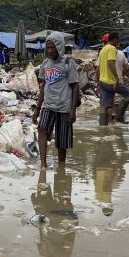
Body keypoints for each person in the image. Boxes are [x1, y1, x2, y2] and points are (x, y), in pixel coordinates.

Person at [32, 32, 79, 168]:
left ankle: (61, 168)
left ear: (59, 46)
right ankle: (43, 164)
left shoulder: (68, 62)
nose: (50, 50)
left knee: (61, 141)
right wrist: (37, 109)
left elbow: (75, 87)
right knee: (42, 128)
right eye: (48, 48)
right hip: (48, 104)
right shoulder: (46, 64)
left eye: (53, 47)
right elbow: (43, 87)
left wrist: (73, 111)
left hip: (64, 106)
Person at [96, 32, 129, 125]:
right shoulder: (112, 48)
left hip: (102, 81)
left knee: (104, 106)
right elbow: (110, 64)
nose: (118, 42)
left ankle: (103, 127)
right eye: (118, 40)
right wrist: (117, 78)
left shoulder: (102, 50)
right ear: (115, 39)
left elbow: (98, 68)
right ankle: (119, 117)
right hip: (111, 82)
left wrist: (98, 81)